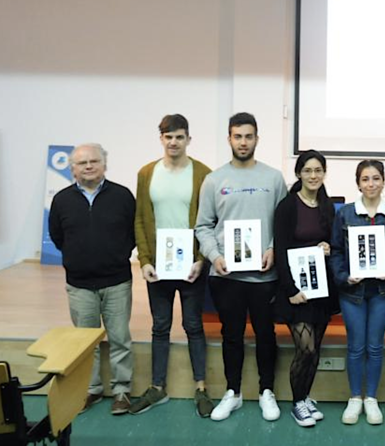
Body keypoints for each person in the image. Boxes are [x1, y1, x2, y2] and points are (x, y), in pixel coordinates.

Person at [195, 112, 288, 422]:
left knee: (265, 333)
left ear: (257, 139)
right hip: (226, 275)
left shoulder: (273, 178)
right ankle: (233, 392)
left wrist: (273, 248)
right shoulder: (214, 180)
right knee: (231, 335)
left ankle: (266, 391)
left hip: (264, 276)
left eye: (249, 136)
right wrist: (214, 256)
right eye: (238, 136)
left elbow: (284, 224)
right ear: (229, 139)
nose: (243, 142)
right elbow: (203, 226)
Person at [130, 114, 214, 417]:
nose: (173, 142)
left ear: (188, 139)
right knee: (160, 327)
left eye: (179, 136)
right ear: (161, 139)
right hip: (159, 267)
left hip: (191, 265)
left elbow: (211, 221)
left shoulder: (204, 173)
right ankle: (157, 387)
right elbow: (140, 219)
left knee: (193, 325)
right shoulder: (146, 173)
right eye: (168, 137)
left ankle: (201, 388)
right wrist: (145, 261)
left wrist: (202, 260)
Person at [48, 143, 136, 415]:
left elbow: (132, 234)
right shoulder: (61, 200)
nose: (88, 166)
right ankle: (92, 389)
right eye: (82, 162)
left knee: (120, 338)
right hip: (79, 285)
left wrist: (115, 254)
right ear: (72, 168)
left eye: (94, 161)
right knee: (85, 343)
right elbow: (57, 236)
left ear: (104, 165)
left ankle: (122, 390)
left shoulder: (122, 196)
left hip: (117, 282)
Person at [330, 160, 385, 425]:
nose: (370, 184)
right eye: (365, 179)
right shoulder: (345, 213)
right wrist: (343, 277)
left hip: (382, 291)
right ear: (358, 183)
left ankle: (370, 398)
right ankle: (354, 399)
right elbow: (337, 250)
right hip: (353, 292)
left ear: (383, 181)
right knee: (355, 346)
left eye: (375, 178)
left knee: (375, 347)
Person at [273, 150, 337, 427]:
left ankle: (306, 396)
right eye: (308, 170)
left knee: (317, 347)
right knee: (306, 349)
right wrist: (290, 290)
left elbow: (332, 243)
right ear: (299, 173)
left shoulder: (327, 205)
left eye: (318, 170)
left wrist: (328, 246)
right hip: (296, 291)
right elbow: (281, 249)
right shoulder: (287, 206)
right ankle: (298, 401)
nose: (313, 176)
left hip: (320, 288)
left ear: (324, 173)